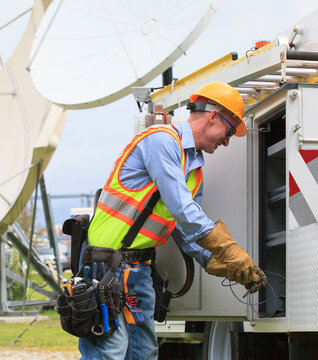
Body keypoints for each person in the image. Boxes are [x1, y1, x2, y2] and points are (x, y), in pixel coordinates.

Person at [78, 82, 267, 359]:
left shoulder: (195, 170)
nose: (227, 141)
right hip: (107, 265)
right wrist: (227, 250)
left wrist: (217, 263)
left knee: (144, 352)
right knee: (110, 352)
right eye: (228, 132)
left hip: (138, 270)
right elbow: (182, 208)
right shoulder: (162, 141)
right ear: (213, 116)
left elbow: (185, 229)